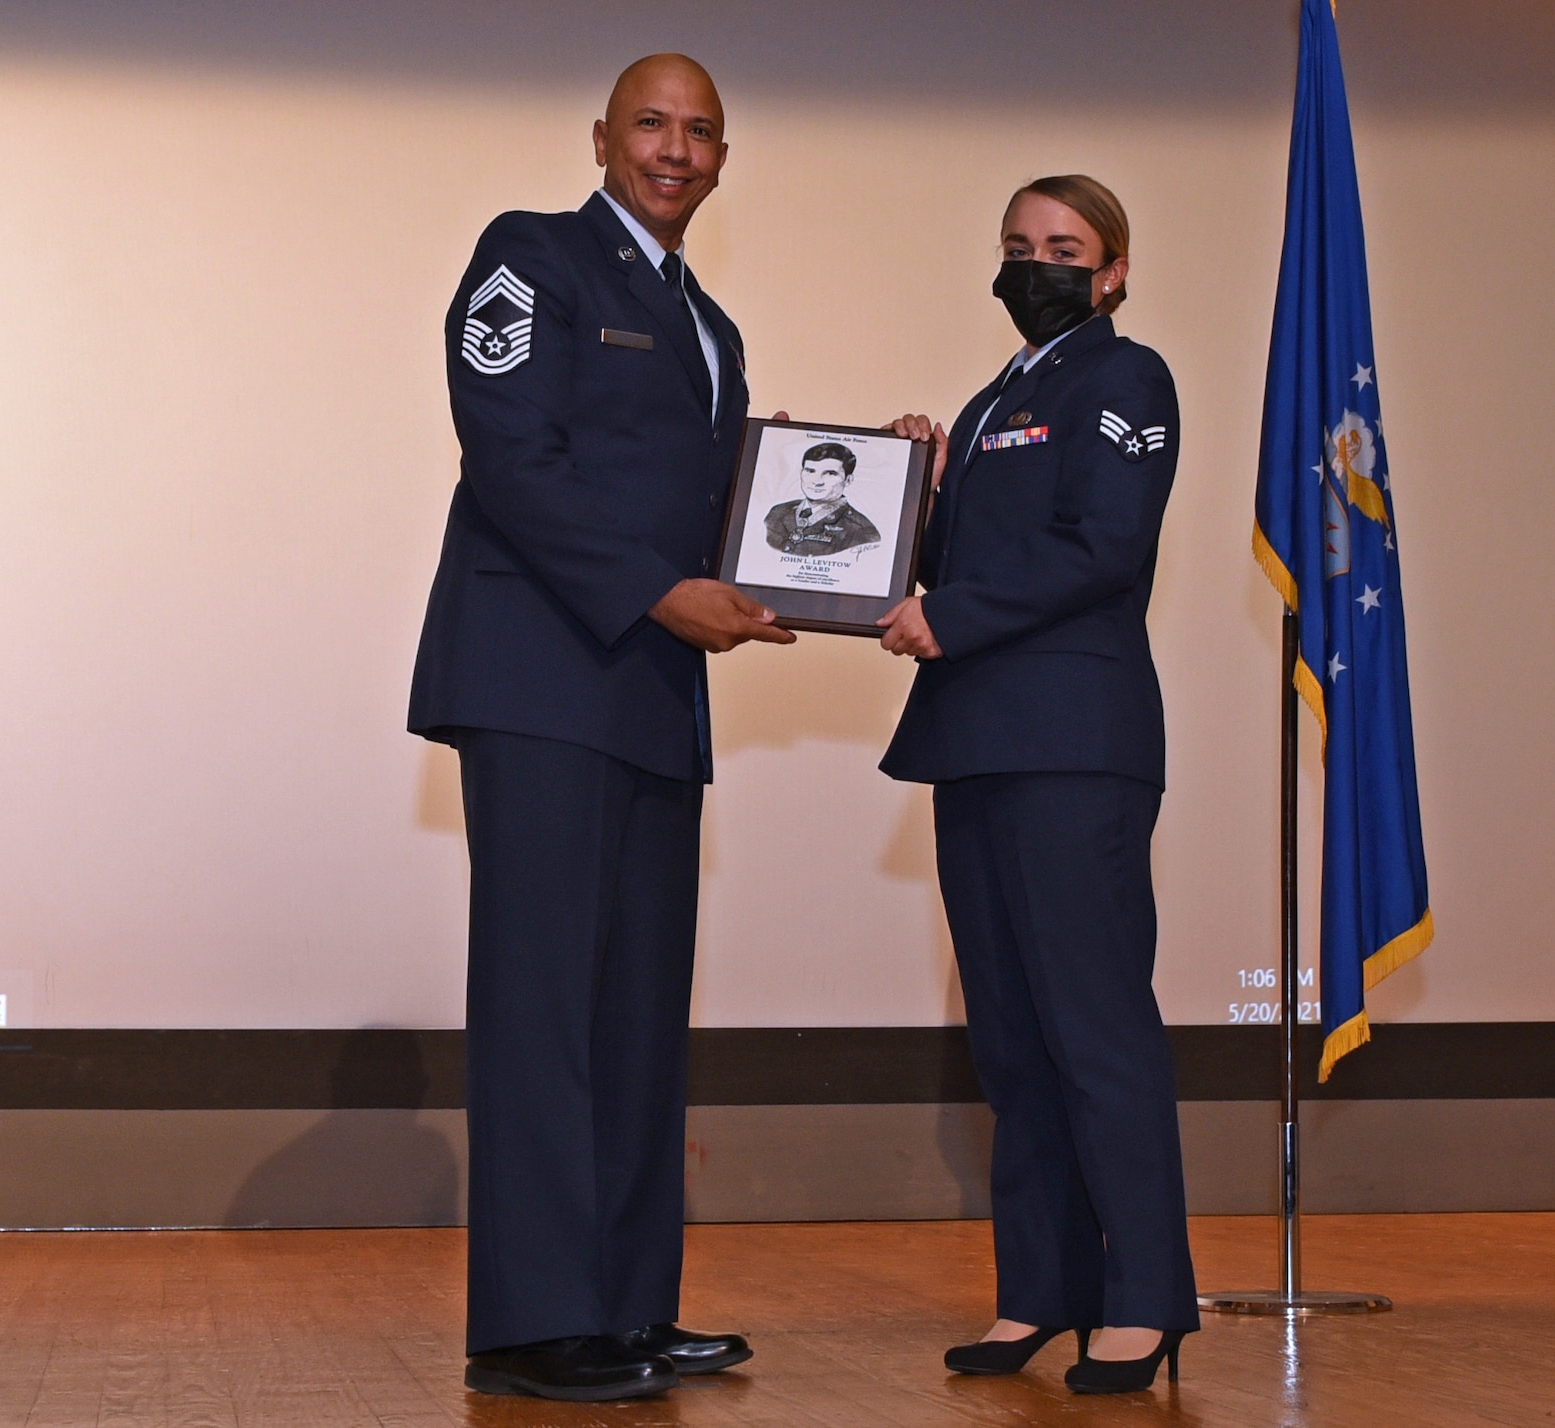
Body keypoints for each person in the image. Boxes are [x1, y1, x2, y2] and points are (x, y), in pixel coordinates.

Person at [407, 54, 794, 1403]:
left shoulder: (711, 327)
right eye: (652, 124)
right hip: (540, 679)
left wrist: (847, 502)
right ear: (602, 138)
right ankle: (531, 1323)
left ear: (722, 155)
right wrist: (656, 589)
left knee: (635, 1015)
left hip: (649, 692)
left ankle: (628, 1306)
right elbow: (507, 453)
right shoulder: (532, 257)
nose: (676, 150)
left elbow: (721, 501)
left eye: (701, 131)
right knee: (543, 1008)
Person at [876, 174, 1199, 1394]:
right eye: (1017, 246)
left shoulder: (1127, 379)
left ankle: (1143, 1299)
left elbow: (1103, 546)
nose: (1036, 266)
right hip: (976, 744)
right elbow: (960, 564)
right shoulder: (995, 396)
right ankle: (1039, 1293)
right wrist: (915, 489)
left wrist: (949, 612)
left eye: (1063, 248)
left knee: (1094, 1028)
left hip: (1073, 744)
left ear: (1112, 271)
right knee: (1010, 1040)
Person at [764, 441, 881, 556]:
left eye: (830, 473)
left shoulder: (861, 530)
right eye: (810, 471)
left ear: (848, 480)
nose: (817, 481)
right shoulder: (778, 512)